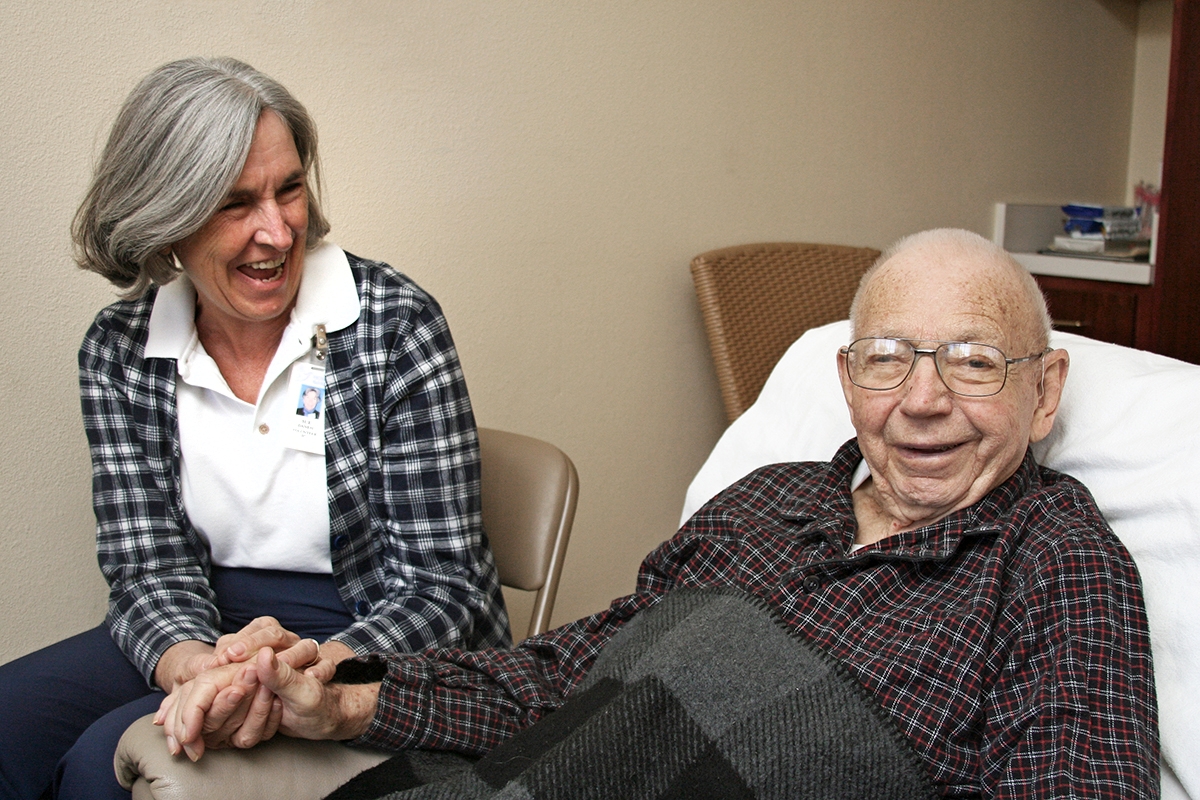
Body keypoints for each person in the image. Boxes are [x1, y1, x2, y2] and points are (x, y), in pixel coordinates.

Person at [165, 229, 1159, 798]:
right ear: (848, 377)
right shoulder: (770, 497)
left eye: (975, 362)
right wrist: (343, 688)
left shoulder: (1057, 556)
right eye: (887, 357)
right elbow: (564, 673)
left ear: (1045, 388)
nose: (923, 399)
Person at [0, 57, 511, 800]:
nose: (276, 231)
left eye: (289, 189)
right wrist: (192, 663)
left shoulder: (397, 324)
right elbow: (148, 567)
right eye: (236, 203)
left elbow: (445, 588)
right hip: (202, 614)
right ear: (165, 219)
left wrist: (297, 677)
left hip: (371, 625)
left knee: (100, 765)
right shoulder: (119, 351)